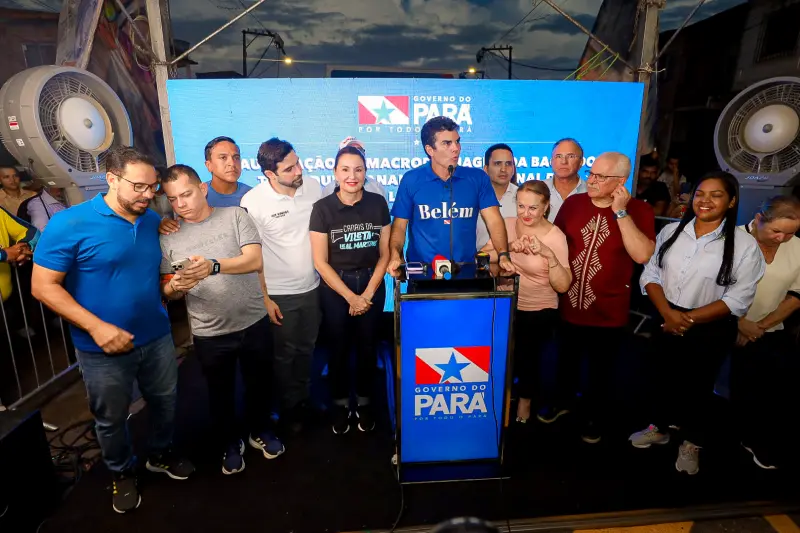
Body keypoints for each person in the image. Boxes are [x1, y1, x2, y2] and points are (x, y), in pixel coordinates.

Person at [30, 146, 194, 514]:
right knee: (111, 417)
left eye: (152, 186)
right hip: (100, 347)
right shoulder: (69, 223)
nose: (148, 195)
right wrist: (97, 327)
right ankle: (122, 472)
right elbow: (42, 287)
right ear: (112, 179)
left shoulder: (151, 220)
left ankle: (160, 454)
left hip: (156, 336)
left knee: (165, 402)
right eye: (139, 187)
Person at [630, 171, 765, 476]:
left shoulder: (744, 245)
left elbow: (738, 299)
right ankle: (659, 428)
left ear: (731, 202)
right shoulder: (672, 231)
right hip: (666, 317)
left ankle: (691, 442)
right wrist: (668, 314)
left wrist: (687, 319)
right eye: (700, 193)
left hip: (709, 326)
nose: (705, 200)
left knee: (698, 388)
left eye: (716, 195)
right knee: (660, 378)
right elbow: (650, 274)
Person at [159, 164, 285, 475]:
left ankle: (260, 430)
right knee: (219, 393)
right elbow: (168, 289)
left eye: (186, 194)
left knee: (260, 384)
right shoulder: (169, 236)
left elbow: (254, 260)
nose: (181, 204)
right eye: (173, 199)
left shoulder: (235, 216)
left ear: (202, 188)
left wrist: (213, 266)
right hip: (209, 330)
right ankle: (230, 442)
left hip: (253, 320)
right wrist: (176, 286)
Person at [543, 152, 656, 444]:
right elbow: (555, 241)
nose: (591, 181)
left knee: (601, 370)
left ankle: (593, 416)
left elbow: (642, 254)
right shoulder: (574, 204)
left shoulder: (639, 210)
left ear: (621, 182)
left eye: (600, 177)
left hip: (608, 310)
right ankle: (563, 402)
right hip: (569, 304)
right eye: (591, 174)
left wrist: (620, 212)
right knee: (565, 360)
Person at [240, 138, 322, 434]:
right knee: (285, 354)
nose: (298, 171)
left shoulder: (313, 186)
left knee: (307, 349)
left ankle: (303, 400)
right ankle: (288, 411)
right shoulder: (253, 202)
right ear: (269, 174)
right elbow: (253, 255)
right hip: (279, 293)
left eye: (298, 163)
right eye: (289, 168)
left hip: (313, 287)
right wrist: (264, 298)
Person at [310, 146, 391, 434]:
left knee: (368, 348)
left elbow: (385, 254)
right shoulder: (322, 208)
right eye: (345, 169)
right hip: (336, 289)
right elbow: (320, 262)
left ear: (366, 172)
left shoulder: (378, 203)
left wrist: (366, 295)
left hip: (371, 284)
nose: (352, 176)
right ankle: (341, 403)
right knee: (338, 349)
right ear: (335, 173)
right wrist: (351, 297)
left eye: (358, 169)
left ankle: (366, 402)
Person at [481, 180, 570, 423]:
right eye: (521, 206)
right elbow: (481, 257)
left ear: (546, 206)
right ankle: (502, 398)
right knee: (499, 355)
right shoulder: (508, 224)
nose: (525, 213)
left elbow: (563, 285)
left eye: (533, 208)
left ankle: (525, 402)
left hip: (539, 308)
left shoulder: (555, 237)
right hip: (505, 304)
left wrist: (548, 256)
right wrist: (508, 249)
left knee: (527, 358)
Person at [387, 116, 514, 276]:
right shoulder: (411, 180)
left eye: (457, 141)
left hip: (467, 272)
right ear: (430, 150)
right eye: (447, 143)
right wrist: (395, 255)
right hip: (423, 275)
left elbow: (494, 220)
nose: (456, 148)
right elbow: (399, 226)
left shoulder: (477, 178)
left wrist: (503, 255)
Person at [730, 195, 800, 470]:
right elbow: (712, 287)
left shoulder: (797, 247)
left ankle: (753, 438)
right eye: (776, 231)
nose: (782, 239)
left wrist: (758, 327)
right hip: (724, 322)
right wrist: (739, 322)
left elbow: (796, 296)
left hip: (767, 328)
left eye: (790, 233)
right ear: (759, 219)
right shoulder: (731, 239)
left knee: (769, 386)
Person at [476, 143, 518, 250]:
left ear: (513, 168)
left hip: (514, 258)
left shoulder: (523, 197)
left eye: (508, 164)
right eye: (497, 163)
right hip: (477, 257)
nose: (503, 169)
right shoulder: (473, 197)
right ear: (486, 169)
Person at [321, 137, 388, 201]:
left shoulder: (377, 188)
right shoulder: (328, 190)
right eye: (350, 149)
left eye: (359, 150)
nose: (356, 153)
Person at [544, 138, 588, 222]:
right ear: (551, 161)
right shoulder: (537, 190)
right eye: (558, 156)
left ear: (581, 162)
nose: (564, 162)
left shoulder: (591, 192)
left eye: (571, 156)